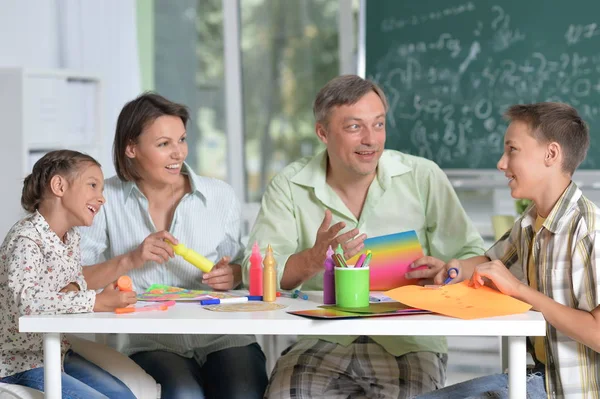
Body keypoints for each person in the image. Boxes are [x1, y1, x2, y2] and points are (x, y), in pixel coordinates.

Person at [243, 74, 485, 398]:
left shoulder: (423, 176)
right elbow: (255, 273)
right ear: (322, 133)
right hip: (322, 337)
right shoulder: (289, 184)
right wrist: (314, 258)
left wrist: (447, 269)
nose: (371, 139)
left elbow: (473, 254)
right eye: (355, 127)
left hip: (407, 342)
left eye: (379, 124)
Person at [79, 92, 268, 399]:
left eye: (181, 140)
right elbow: (76, 278)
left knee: (242, 391)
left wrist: (233, 274)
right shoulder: (105, 198)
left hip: (223, 335)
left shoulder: (219, 196)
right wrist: (132, 259)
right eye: (163, 144)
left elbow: (244, 266)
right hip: (150, 341)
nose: (178, 153)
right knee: (183, 394)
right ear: (131, 148)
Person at [410, 102, 600, 398]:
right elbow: (490, 261)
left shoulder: (589, 230)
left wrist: (520, 291)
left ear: (551, 154)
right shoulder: (529, 223)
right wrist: (455, 267)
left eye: (512, 150)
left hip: (567, 390)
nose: (501, 163)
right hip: (533, 376)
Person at [0, 150, 137, 398]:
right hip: (19, 362)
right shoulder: (27, 239)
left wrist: (75, 287)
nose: (101, 198)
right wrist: (94, 301)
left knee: (124, 396)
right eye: (93, 185)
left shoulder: (71, 238)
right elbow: (27, 301)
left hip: (56, 350)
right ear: (59, 186)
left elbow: (74, 281)